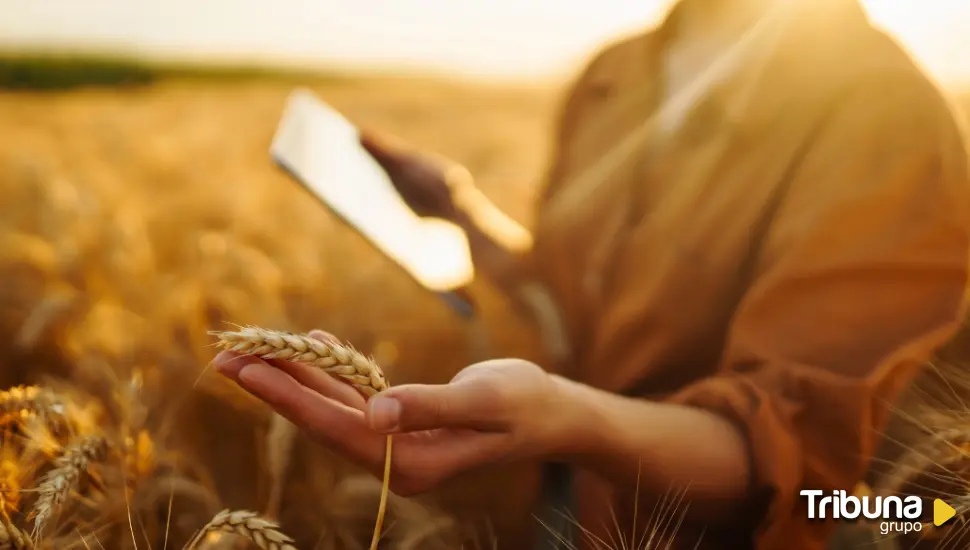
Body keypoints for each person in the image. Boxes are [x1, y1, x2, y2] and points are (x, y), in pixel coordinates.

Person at [212, 0, 970, 548]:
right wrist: (461, 211)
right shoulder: (617, 71)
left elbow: (797, 465)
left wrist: (568, 420)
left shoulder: (883, 114)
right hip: (547, 498)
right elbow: (575, 295)